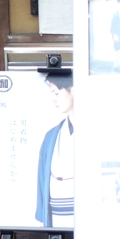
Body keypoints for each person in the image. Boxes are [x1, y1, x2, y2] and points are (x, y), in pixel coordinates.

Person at [35, 70, 75, 228]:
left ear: (73, 89)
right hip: (57, 219)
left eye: (57, 93)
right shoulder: (51, 136)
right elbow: (41, 180)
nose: (53, 99)